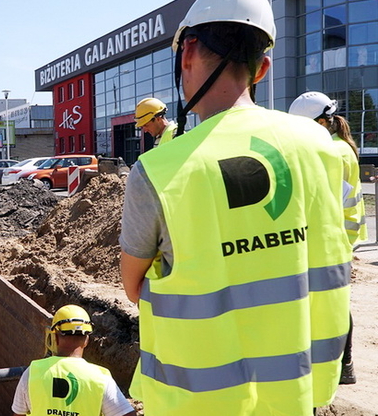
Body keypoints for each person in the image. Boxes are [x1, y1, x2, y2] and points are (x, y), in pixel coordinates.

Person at [118, 0, 352, 414]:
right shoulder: (320, 147)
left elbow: (134, 287)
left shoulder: (158, 170)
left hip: (197, 401)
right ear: (262, 68)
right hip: (295, 394)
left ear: (187, 52)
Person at [289, 91, 366, 386]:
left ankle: (344, 366)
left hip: (334, 240)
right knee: (332, 303)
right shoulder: (336, 146)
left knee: (333, 305)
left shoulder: (333, 151)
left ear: (321, 122)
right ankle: (342, 366)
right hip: (337, 237)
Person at [11, 305, 135, 416]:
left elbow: (19, 413)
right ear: (86, 340)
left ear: (54, 337)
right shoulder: (100, 378)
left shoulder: (33, 372)